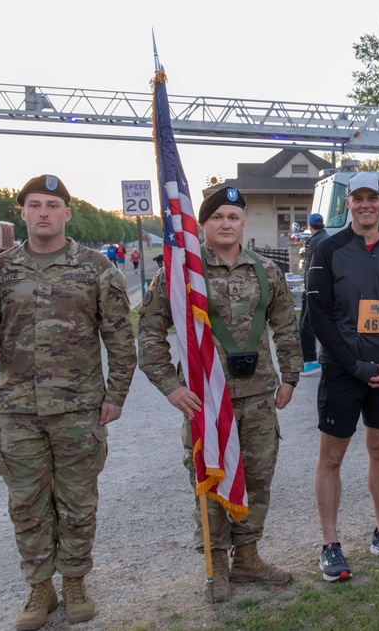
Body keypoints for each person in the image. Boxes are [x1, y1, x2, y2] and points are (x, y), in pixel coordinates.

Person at [0, 174, 136, 630]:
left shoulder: (97, 267)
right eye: (35, 204)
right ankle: (40, 588)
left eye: (52, 205)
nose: (43, 212)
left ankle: (76, 581)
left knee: (78, 501)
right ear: (21, 212)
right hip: (17, 409)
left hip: (79, 408)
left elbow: (120, 339)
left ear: (66, 213)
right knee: (26, 503)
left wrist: (115, 395)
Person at [138, 186, 302, 602]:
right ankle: (218, 567)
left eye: (233, 217)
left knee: (258, 479)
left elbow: (286, 326)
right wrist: (170, 387)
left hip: (261, 396)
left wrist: (290, 377)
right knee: (211, 481)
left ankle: (248, 558)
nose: (226, 224)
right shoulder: (179, 275)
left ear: (243, 223)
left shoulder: (269, 271)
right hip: (206, 401)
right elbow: (149, 332)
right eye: (217, 218)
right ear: (203, 225)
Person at [306, 171, 379, 582]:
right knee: (331, 457)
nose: (366, 204)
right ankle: (330, 545)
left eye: (373, 197)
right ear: (348, 203)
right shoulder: (328, 249)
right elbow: (318, 316)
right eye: (358, 198)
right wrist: (356, 366)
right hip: (343, 372)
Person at [300, 213, 329, 376]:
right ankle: (323, 358)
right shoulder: (327, 238)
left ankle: (310, 361)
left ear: (309, 226)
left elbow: (309, 267)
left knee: (306, 324)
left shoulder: (314, 241)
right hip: (325, 288)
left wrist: (306, 287)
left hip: (313, 288)